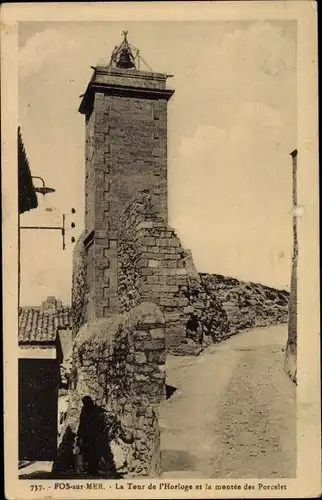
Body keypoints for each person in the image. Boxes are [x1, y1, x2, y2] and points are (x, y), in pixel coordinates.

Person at [76, 396, 134, 477]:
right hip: (89, 435)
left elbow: (106, 414)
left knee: (97, 452)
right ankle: (92, 469)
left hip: (96, 435)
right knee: (91, 452)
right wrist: (80, 435)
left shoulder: (94, 409)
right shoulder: (86, 410)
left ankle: (96, 469)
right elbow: (82, 424)